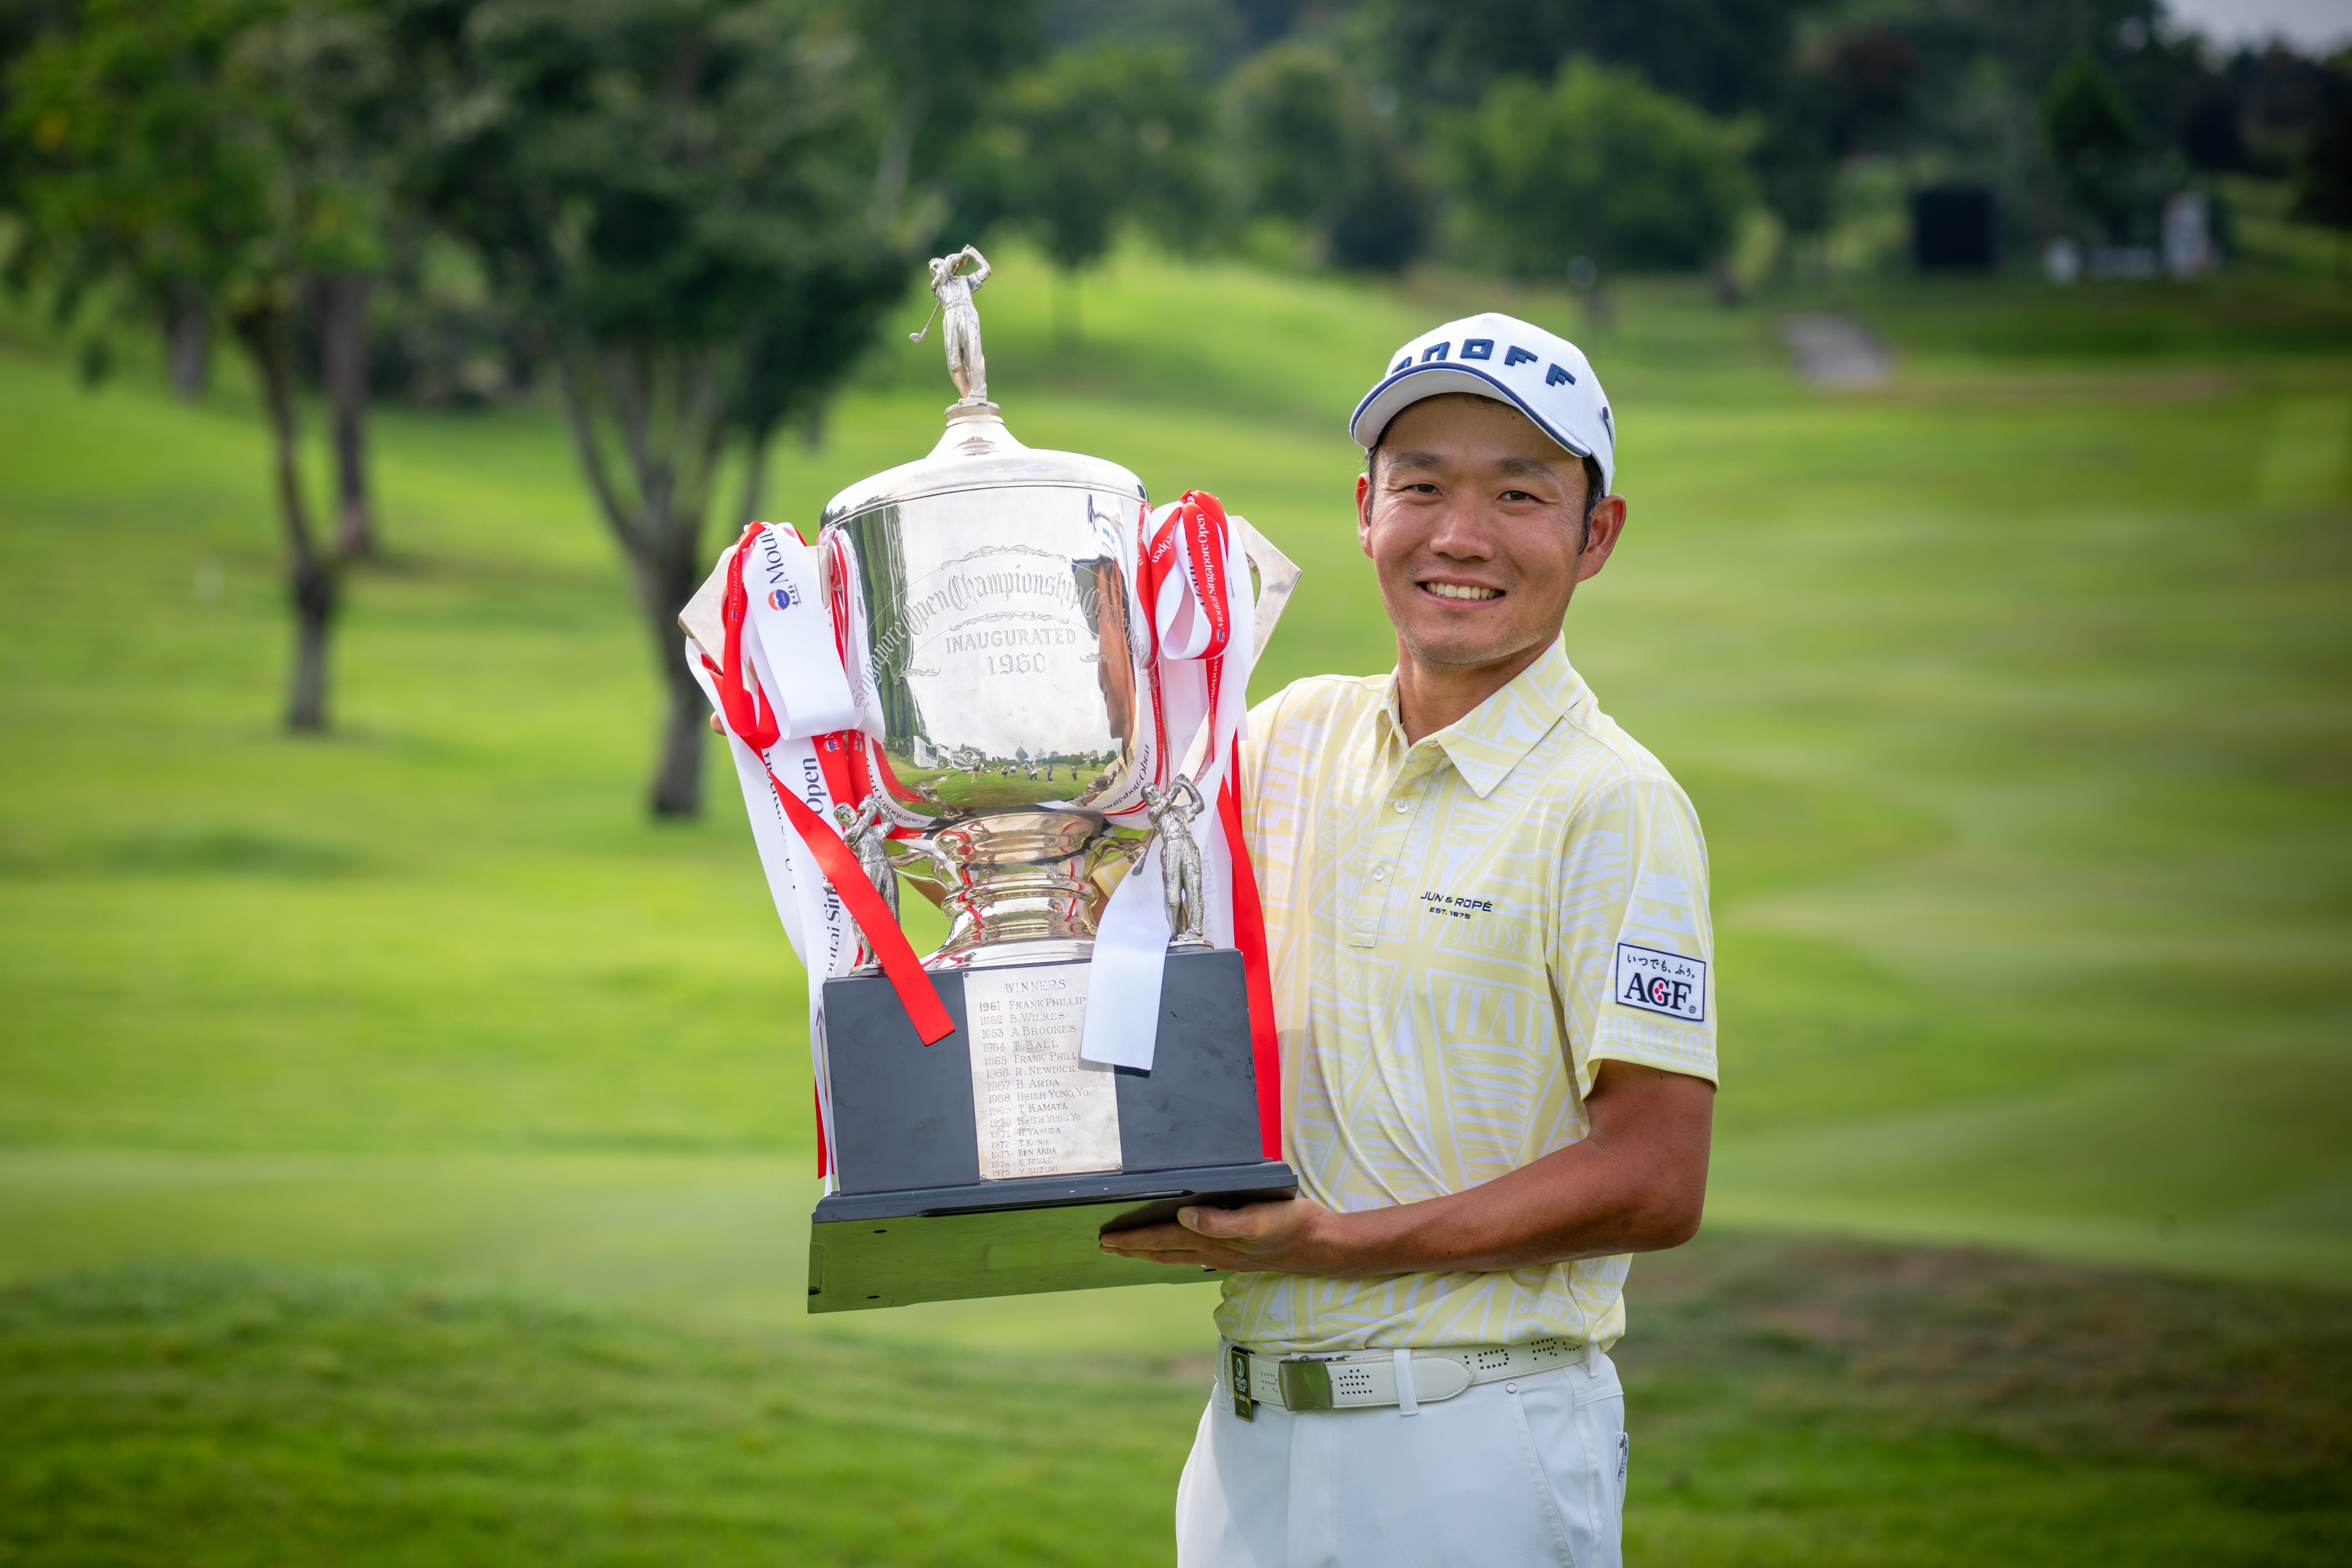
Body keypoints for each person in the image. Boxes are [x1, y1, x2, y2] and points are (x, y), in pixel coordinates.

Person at [1099, 312, 1717, 1567]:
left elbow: (1655, 1179)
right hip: (1247, 1439)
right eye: (1420, 485)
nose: (1459, 535)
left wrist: (1329, 1242)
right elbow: (1109, 920)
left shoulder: (1612, 801)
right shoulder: (1286, 737)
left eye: (1517, 493)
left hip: (1474, 1442)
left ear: (1593, 535)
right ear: (1365, 508)